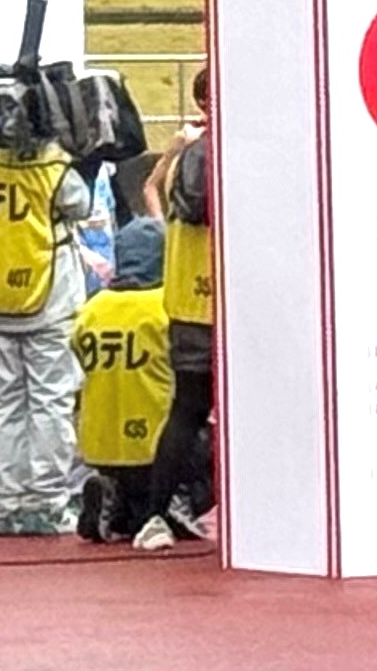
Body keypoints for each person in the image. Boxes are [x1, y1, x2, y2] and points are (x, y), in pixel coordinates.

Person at [0, 69, 96, 534]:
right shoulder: (53, 167)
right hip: (47, 294)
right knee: (51, 400)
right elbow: (81, 206)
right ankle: (47, 501)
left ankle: (5, 502)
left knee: (4, 400)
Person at [137, 70, 216, 546]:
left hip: (185, 299)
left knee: (185, 411)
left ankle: (155, 514)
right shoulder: (237, 154)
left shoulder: (183, 149)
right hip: (230, 305)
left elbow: (151, 189)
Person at [73, 219, 174, 542]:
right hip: (154, 444)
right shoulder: (165, 308)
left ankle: (115, 500)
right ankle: (173, 503)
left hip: (99, 444)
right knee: (199, 427)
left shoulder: (92, 309)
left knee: (130, 501)